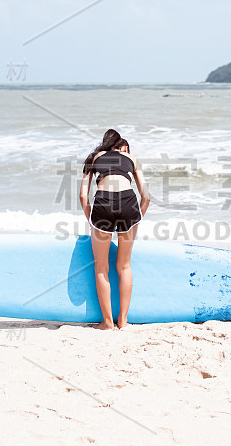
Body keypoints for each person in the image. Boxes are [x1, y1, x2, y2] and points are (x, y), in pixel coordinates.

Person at [80, 129, 150, 330]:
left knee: (101, 267)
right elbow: (146, 197)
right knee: (124, 266)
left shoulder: (94, 158)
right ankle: (124, 321)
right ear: (122, 147)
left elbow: (83, 197)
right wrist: (136, 219)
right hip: (129, 203)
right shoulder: (131, 158)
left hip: (103, 204)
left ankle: (108, 323)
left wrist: (92, 220)